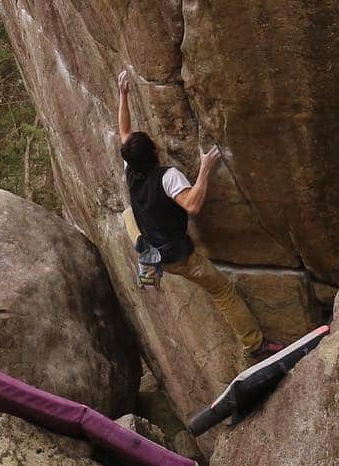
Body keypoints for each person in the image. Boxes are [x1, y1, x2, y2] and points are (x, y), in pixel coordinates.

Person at [116, 68, 281, 363]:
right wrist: (204, 169)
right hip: (176, 256)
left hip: (149, 239)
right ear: (154, 150)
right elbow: (192, 206)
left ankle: (148, 269)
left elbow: (124, 134)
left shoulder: (131, 171)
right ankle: (255, 344)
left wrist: (123, 95)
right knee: (223, 291)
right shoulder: (168, 178)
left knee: (130, 215)